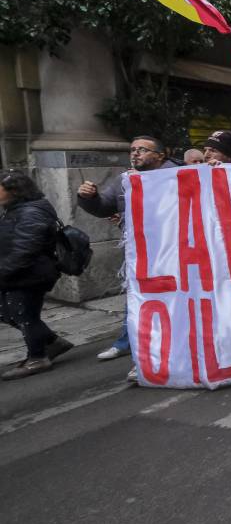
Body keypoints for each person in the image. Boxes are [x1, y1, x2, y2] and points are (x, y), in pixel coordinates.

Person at [77, 136, 176, 364]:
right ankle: (129, 344)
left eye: (142, 149)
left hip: (172, 251)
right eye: (132, 149)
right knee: (137, 297)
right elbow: (103, 207)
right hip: (139, 251)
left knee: (169, 301)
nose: (135, 153)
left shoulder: (179, 177)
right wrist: (88, 198)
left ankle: (160, 353)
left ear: (160, 155)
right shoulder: (124, 180)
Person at [0, 171, 73, 380]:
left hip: (30, 274)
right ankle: (53, 342)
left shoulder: (31, 212)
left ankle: (38, 358)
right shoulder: (14, 209)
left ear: (14, 190)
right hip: (16, 274)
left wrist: (4, 271)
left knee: (25, 316)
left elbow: (25, 250)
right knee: (9, 313)